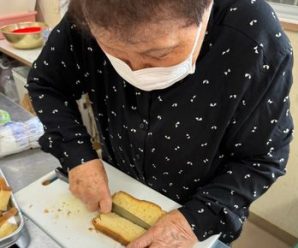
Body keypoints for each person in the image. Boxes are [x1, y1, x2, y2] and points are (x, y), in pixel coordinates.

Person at [27, 0, 294, 247]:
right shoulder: (86, 11)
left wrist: (193, 221)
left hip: (205, 208)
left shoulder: (254, 35)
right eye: (116, 54)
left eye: (158, 54)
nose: (136, 71)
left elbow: (261, 158)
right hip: (118, 180)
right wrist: (77, 155)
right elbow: (46, 84)